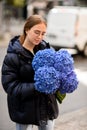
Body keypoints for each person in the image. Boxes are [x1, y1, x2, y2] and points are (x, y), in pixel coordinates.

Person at [1, 15, 59, 130]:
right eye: (37, 32)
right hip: (24, 111)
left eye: (43, 34)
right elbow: (10, 86)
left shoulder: (46, 50)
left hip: (45, 108)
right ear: (27, 30)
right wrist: (36, 86)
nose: (40, 37)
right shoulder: (13, 55)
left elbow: (55, 74)